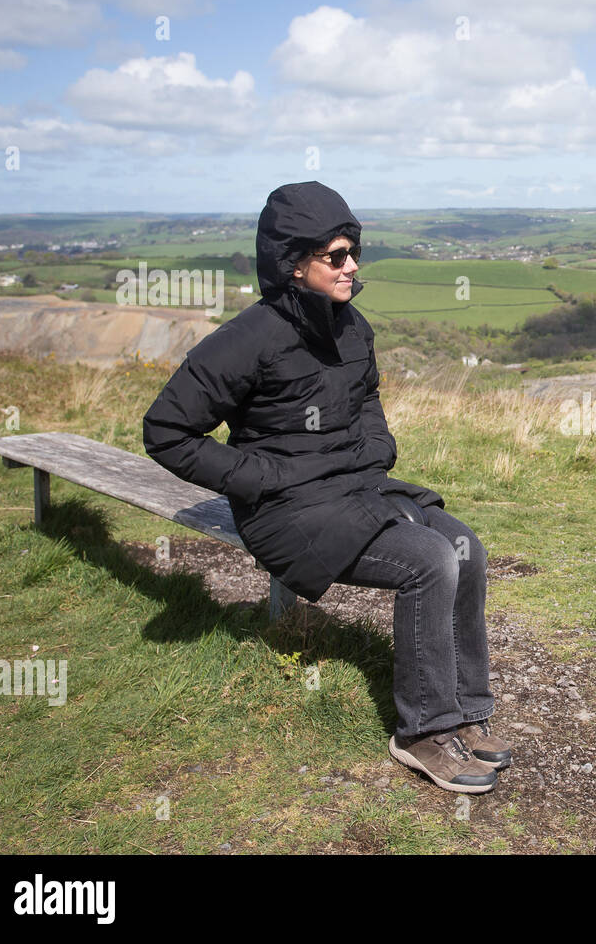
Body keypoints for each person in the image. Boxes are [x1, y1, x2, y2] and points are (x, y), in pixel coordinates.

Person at [142, 181, 511, 794]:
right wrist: (259, 477)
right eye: (336, 256)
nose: (352, 266)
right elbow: (167, 430)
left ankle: (465, 712)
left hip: (353, 490)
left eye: (353, 252)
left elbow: (366, 398)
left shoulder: (350, 326)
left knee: (465, 546)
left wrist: (376, 451)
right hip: (286, 513)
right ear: (295, 263)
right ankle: (421, 735)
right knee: (429, 561)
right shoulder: (247, 339)